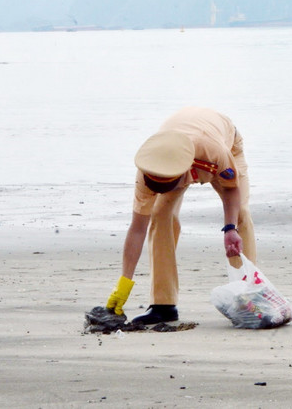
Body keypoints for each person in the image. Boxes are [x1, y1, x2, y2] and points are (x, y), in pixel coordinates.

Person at [103, 107, 257, 326]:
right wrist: (124, 283)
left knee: (240, 212)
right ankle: (163, 305)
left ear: (182, 175)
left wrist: (229, 228)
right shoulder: (147, 169)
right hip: (175, 154)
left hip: (222, 142)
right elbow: (137, 229)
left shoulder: (212, 151)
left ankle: (247, 297)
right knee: (159, 213)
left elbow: (232, 190)